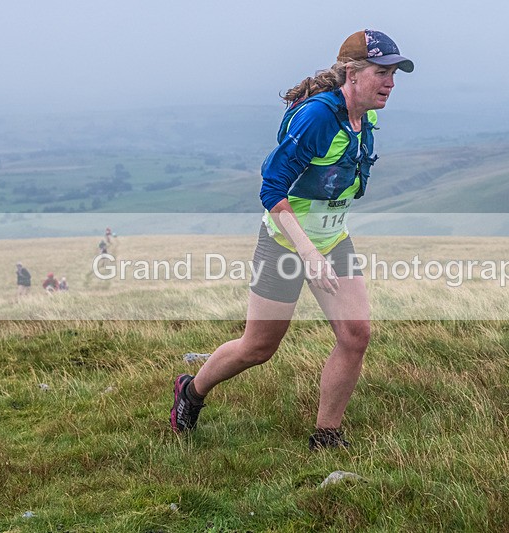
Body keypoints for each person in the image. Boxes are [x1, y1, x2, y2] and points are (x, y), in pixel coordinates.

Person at [170, 29, 413, 450]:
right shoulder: (317, 117)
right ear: (352, 74)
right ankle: (191, 392)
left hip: (333, 240)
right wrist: (307, 252)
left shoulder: (365, 116)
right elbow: (271, 188)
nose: (390, 82)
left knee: (356, 334)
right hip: (286, 244)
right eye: (381, 72)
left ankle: (327, 435)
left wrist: (324, 246)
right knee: (259, 346)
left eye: (394, 72)